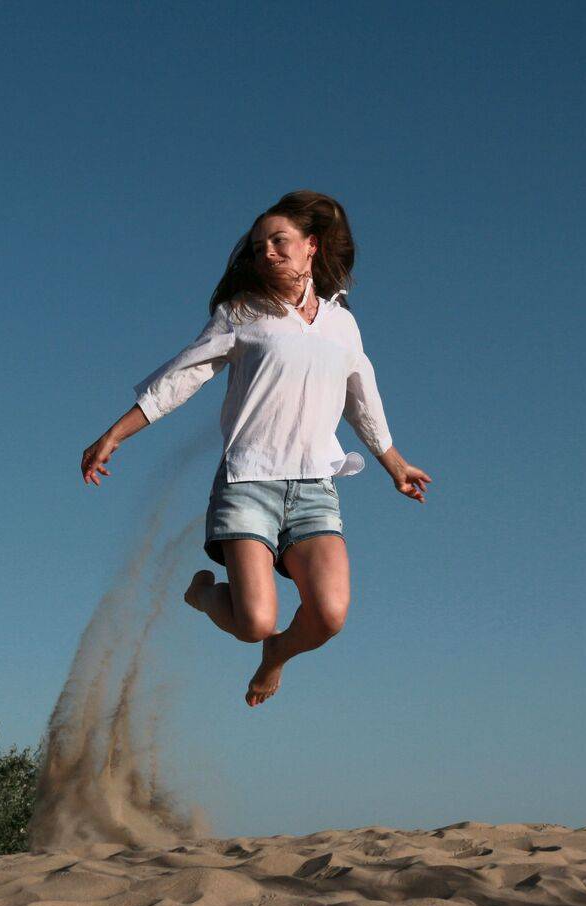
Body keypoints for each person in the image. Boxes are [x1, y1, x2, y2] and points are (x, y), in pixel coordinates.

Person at [80, 190, 431, 708]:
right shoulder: (241, 312)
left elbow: (362, 399)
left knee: (329, 615)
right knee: (255, 622)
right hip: (248, 483)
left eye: (279, 241)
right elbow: (182, 377)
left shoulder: (342, 324)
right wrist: (115, 433)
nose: (267, 251)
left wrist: (394, 464)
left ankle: (277, 656)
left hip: (315, 487)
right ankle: (204, 594)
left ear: (311, 246)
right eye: (258, 245)